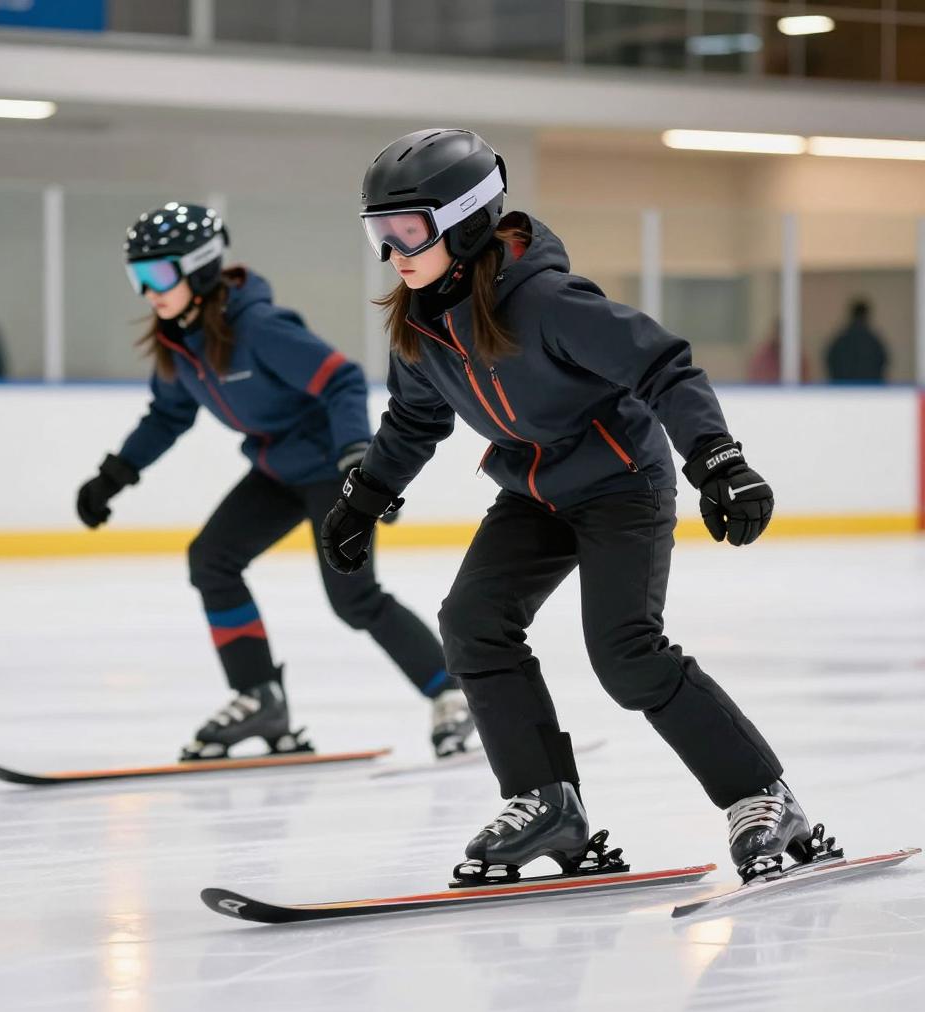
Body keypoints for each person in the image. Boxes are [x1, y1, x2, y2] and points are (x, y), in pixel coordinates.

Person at [322, 130, 818, 884]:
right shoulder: (422, 323)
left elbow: (662, 365)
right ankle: (546, 800)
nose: (392, 253)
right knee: (473, 622)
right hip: (536, 490)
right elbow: (416, 420)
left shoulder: (548, 302)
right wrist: (363, 499)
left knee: (624, 653)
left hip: (621, 483)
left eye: (408, 231)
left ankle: (761, 795)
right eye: (377, 235)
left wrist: (718, 461)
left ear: (464, 219)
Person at [76, 201, 473, 761]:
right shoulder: (181, 340)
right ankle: (259, 695)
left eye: (158, 274)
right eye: (136, 276)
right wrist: (115, 475)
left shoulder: (259, 328)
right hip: (276, 470)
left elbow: (341, 381)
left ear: (201, 265)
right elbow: (169, 414)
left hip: (329, 469)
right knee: (211, 558)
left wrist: (360, 463)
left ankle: (451, 694)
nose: (148, 291)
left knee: (353, 599)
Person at [825, 299, 888, 383]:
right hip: (869, 390)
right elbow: (883, 361)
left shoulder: (840, 340)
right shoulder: (874, 341)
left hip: (844, 390)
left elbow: (830, 359)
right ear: (866, 315)